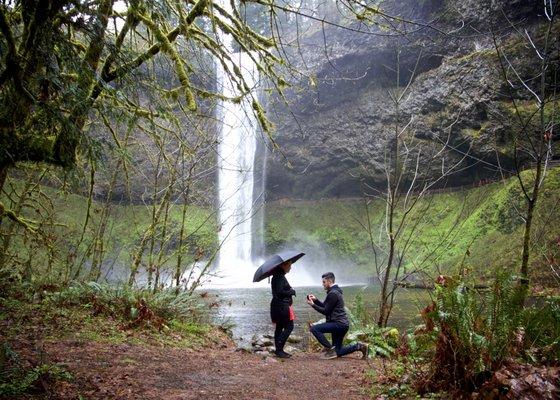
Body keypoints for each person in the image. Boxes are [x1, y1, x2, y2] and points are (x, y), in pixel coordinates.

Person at [306, 272, 368, 359]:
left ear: (330, 281)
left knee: (314, 329)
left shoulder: (333, 293)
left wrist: (313, 305)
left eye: (324, 282)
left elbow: (326, 311)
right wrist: (315, 300)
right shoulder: (334, 292)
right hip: (342, 324)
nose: (322, 284)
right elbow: (326, 306)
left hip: (338, 324)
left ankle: (330, 349)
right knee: (337, 352)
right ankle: (359, 346)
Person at [270, 261, 296, 358]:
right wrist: (291, 291)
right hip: (282, 307)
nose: (290, 267)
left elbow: (278, 291)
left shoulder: (276, 276)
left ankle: (278, 350)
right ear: (283, 265)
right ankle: (279, 349)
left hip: (277, 306)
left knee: (279, 327)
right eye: (289, 265)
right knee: (289, 326)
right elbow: (280, 291)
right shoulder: (280, 277)